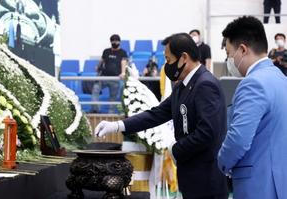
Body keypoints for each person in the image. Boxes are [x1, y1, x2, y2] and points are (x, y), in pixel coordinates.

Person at [95, 33, 229, 199]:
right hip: (192, 176)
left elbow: (208, 132)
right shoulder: (182, 86)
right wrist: (117, 125)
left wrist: (176, 149)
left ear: (183, 58)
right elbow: (156, 114)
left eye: (168, 59)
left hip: (207, 179)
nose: (166, 65)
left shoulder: (205, 84)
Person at [217, 16, 287, 199]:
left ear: (242, 50)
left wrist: (222, 162)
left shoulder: (252, 83)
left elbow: (239, 138)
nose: (229, 59)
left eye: (229, 53)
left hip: (258, 184)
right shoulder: (280, 79)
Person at [87, 34, 127, 114]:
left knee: (113, 97)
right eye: (113, 41)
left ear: (119, 42)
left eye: (116, 41)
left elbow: (123, 63)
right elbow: (102, 60)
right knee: (95, 89)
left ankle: (111, 113)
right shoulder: (106, 51)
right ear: (111, 42)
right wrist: (98, 67)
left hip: (115, 78)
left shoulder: (123, 52)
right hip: (104, 77)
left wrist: (123, 73)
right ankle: (95, 108)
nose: (114, 43)